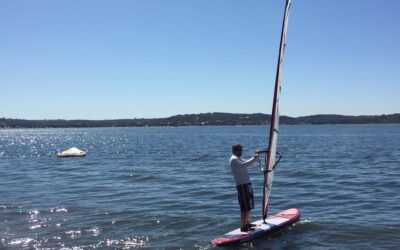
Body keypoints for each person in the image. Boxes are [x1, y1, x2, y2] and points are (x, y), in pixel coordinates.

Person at [229, 143, 259, 232]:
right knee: (244, 207)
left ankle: (246, 223)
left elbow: (246, 162)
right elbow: (244, 165)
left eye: (241, 150)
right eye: (239, 150)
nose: (241, 151)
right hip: (241, 185)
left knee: (248, 205)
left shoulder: (238, 158)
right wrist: (254, 158)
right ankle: (243, 226)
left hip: (247, 184)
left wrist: (254, 157)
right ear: (234, 151)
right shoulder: (233, 159)